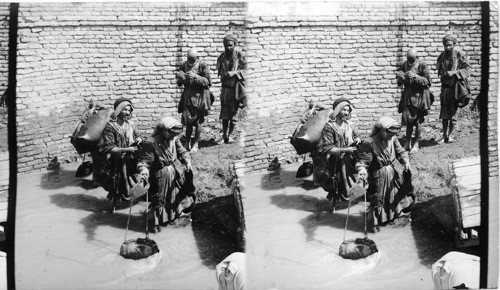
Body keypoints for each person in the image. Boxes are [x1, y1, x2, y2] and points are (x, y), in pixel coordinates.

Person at [136, 116, 194, 233]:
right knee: (159, 199)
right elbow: (145, 161)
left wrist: (186, 160)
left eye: (175, 134)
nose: (173, 136)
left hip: (175, 171)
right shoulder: (151, 142)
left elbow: (182, 151)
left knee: (177, 194)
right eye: (171, 134)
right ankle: (155, 224)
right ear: (164, 130)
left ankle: (175, 216)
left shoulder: (174, 139)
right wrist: (144, 170)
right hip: (160, 174)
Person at [355, 117, 412, 233]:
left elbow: (400, 152)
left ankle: (392, 217)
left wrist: (406, 161)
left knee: (394, 194)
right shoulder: (369, 142)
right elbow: (363, 160)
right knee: (378, 199)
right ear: (382, 130)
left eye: (393, 134)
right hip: (378, 174)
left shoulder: (393, 139)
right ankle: (375, 224)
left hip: (391, 172)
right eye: (389, 134)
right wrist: (362, 169)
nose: (391, 136)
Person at [311, 98, 361, 212]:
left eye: (348, 110)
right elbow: (328, 148)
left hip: (350, 159)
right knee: (336, 183)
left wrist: (357, 139)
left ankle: (353, 201)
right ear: (337, 111)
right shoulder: (330, 127)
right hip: (336, 161)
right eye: (343, 110)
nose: (346, 113)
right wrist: (345, 150)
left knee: (353, 180)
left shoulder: (350, 125)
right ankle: (333, 205)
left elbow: (357, 136)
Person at [97, 97, 144, 213]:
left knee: (135, 179)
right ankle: (112, 207)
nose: (127, 112)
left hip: (132, 159)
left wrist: (139, 139)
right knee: (117, 183)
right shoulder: (111, 127)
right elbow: (109, 147)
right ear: (118, 110)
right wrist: (126, 149)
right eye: (125, 110)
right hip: (117, 161)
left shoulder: (131, 125)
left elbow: (139, 136)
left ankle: (135, 200)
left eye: (129, 110)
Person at [395, 48, 433, 154]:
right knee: (408, 121)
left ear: (416, 57)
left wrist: (415, 76)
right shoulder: (405, 64)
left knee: (418, 121)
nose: (410, 61)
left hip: (420, 96)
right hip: (408, 96)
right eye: (408, 59)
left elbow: (428, 81)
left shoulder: (422, 64)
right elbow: (399, 82)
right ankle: (407, 143)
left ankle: (416, 143)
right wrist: (400, 78)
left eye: (412, 59)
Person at [175, 48, 212, 153]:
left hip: (199, 97)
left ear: (197, 57)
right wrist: (180, 78)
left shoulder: (202, 65)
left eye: (192, 60)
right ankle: (187, 142)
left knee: (198, 121)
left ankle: (196, 143)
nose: (190, 62)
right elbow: (179, 82)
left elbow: (208, 81)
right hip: (187, 96)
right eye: (189, 59)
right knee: (188, 121)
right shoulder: (184, 64)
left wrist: (196, 77)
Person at [436, 34, 471, 144]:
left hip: (455, 89)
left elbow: (467, 70)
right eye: (446, 45)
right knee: (444, 114)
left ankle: (451, 135)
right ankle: (444, 136)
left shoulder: (460, 55)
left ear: (454, 45)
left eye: (450, 45)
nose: (448, 48)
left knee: (453, 114)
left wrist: (454, 72)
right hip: (445, 89)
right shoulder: (442, 56)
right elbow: (437, 68)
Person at [216, 34, 247, 144]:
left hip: (235, 90)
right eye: (226, 45)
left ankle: (230, 135)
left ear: (235, 44)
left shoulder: (239, 56)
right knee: (224, 115)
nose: (228, 48)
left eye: (230, 45)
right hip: (225, 90)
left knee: (233, 115)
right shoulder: (222, 57)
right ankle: (224, 136)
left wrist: (234, 73)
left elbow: (247, 70)